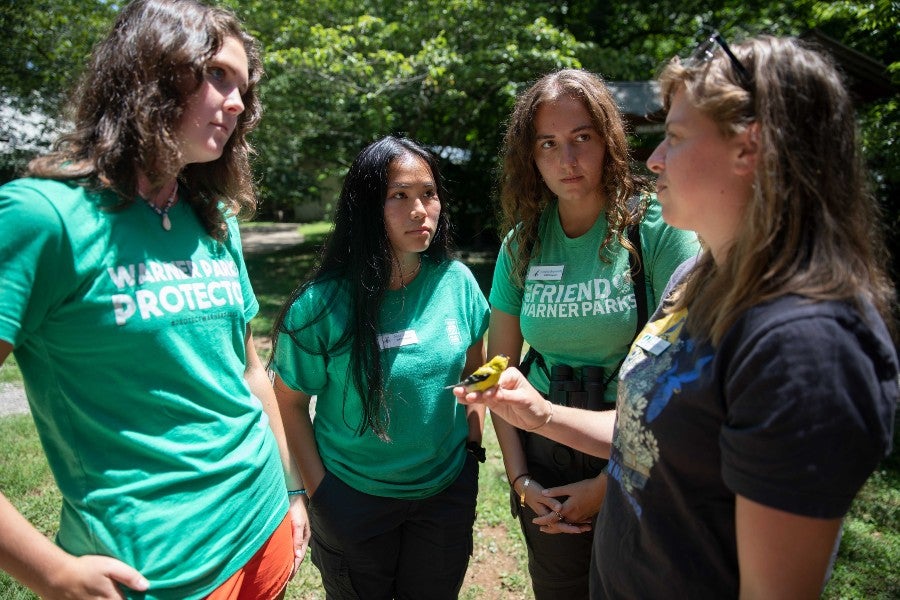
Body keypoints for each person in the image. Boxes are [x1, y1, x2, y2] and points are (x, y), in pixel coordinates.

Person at [455, 34, 898, 598]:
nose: (655, 157)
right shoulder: (699, 281)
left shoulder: (807, 348)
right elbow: (654, 429)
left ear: (750, 147)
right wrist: (539, 414)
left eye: (677, 136)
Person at [0, 1, 310, 598]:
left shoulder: (213, 214)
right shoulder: (43, 217)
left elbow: (248, 370)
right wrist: (51, 571)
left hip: (262, 531)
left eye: (243, 85)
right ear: (153, 69)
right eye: (218, 73)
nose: (239, 101)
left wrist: (291, 492)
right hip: (156, 573)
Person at [487, 68, 699, 599]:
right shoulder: (522, 245)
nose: (567, 160)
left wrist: (608, 486)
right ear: (530, 157)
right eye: (549, 144)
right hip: (544, 461)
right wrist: (520, 482)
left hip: (638, 455)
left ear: (609, 139)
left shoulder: (657, 230)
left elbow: (686, 388)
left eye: (582, 138)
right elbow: (500, 374)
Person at [270, 135, 490, 599]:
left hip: (445, 494)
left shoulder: (458, 283)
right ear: (368, 206)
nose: (420, 210)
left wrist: (471, 449)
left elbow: (477, 368)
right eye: (400, 196)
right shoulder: (322, 305)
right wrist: (319, 493)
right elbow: (288, 403)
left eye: (429, 194)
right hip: (352, 498)